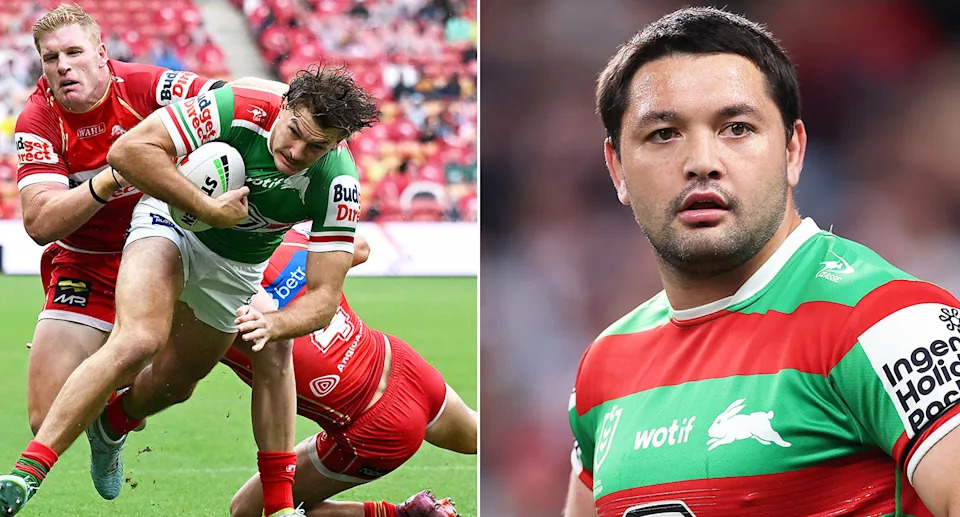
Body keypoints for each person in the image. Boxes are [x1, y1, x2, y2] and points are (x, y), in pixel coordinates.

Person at [564, 7, 960, 517]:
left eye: (737, 128)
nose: (702, 161)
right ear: (617, 168)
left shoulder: (888, 322)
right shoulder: (605, 365)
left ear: (793, 151)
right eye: (664, 133)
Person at [0, 69, 378, 517]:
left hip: (238, 265)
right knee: (140, 338)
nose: (297, 152)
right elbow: (128, 151)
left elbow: (324, 296)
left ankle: (114, 423)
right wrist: (205, 208)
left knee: (179, 382)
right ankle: (25, 476)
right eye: (294, 132)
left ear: (336, 143)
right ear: (284, 107)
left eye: (315, 147)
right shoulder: (239, 105)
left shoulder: (338, 182)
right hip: (171, 221)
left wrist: (273, 323)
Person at [13, 0, 221, 491]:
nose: (62, 66)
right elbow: (41, 222)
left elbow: (228, 99)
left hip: (171, 253)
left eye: (73, 52)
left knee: (174, 381)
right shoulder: (38, 120)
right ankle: (108, 404)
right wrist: (111, 178)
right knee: (47, 420)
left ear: (102, 54)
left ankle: (115, 423)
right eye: (50, 58)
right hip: (87, 264)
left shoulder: (148, 85)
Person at [224, 225, 475, 517]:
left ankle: (405, 515)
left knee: (247, 510)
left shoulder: (217, 291)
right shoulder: (287, 239)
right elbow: (360, 247)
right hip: (403, 365)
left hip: (375, 424)